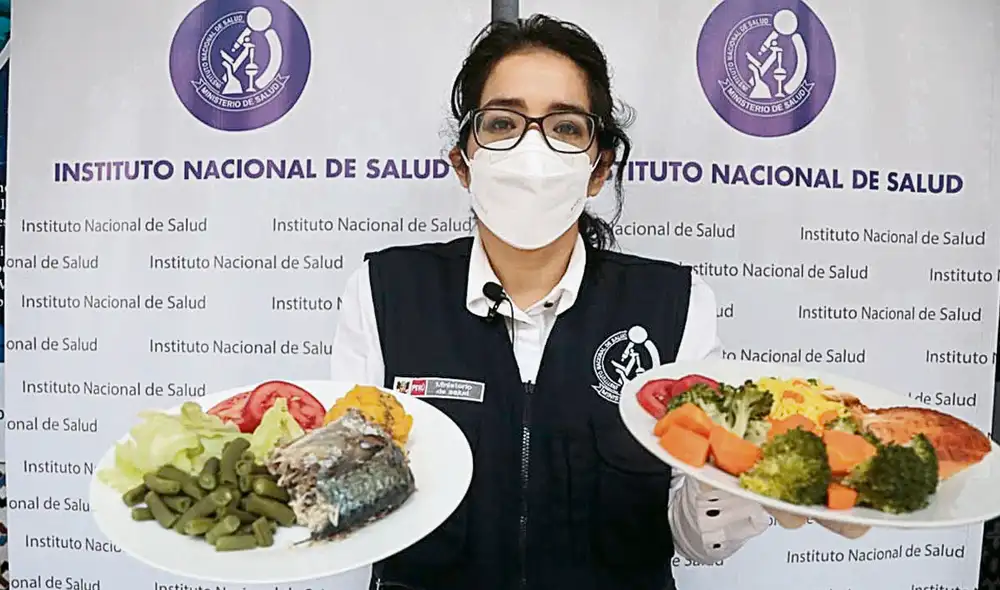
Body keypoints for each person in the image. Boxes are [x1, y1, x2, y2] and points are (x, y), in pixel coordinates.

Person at [330, 15, 867, 590]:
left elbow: (694, 536)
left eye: (564, 127)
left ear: (599, 169)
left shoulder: (674, 304)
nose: (532, 148)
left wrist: (755, 481)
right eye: (504, 122)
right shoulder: (386, 289)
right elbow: (353, 494)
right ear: (464, 161)